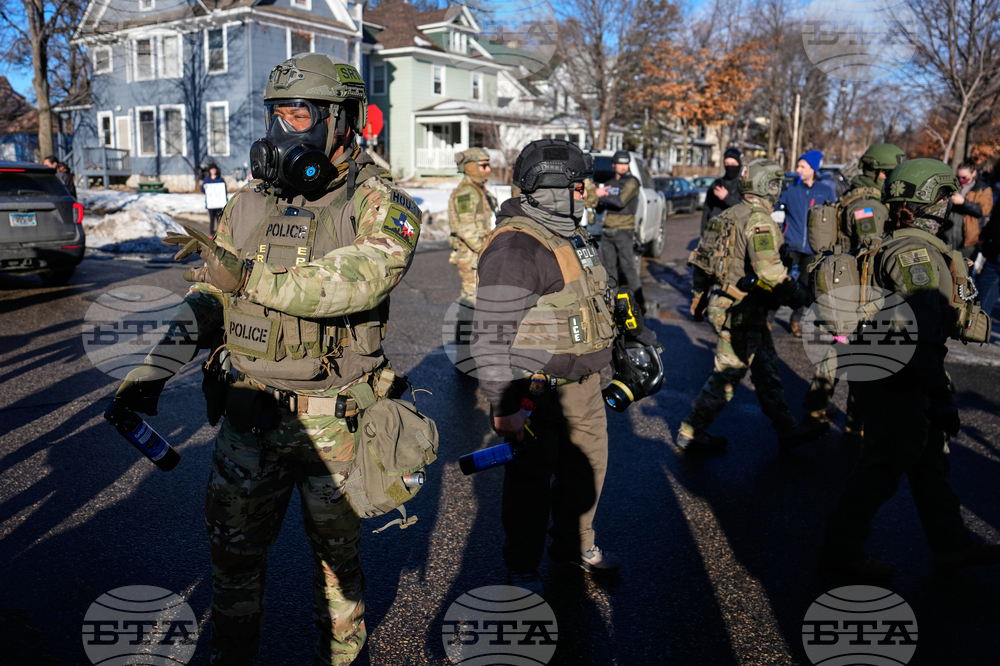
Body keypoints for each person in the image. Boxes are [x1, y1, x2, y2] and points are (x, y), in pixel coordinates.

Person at [113, 54, 422, 665]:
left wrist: (251, 275)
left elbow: (358, 278)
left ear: (342, 121)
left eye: (300, 114)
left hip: (334, 421)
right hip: (248, 417)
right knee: (232, 561)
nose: (285, 131)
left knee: (337, 569)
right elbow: (211, 294)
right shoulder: (250, 203)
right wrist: (153, 367)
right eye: (277, 114)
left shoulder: (380, 202)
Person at [819, 158, 1000, 580]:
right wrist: (939, 398)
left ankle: (952, 545)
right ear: (932, 202)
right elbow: (919, 336)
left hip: (888, 370)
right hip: (897, 379)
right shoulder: (915, 255)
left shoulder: (891, 242)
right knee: (884, 466)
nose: (950, 203)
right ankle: (839, 551)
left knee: (931, 463)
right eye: (945, 195)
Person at [472, 138, 621, 595]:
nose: (589, 193)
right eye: (581, 186)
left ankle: (575, 544)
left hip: (584, 384)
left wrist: (611, 361)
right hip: (534, 390)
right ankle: (522, 566)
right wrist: (505, 405)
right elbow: (491, 335)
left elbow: (595, 299)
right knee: (530, 484)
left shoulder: (569, 234)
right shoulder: (517, 248)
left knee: (588, 469)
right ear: (556, 188)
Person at [679, 159, 827, 454]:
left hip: (735, 305)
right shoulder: (759, 220)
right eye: (777, 184)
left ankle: (786, 429)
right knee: (728, 374)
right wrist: (801, 297)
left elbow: (701, 261)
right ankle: (691, 432)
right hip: (740, 309)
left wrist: (698, 296)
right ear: (768, 186)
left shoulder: (727, 214)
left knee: (766, 368)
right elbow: (770, 272)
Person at [802, 143, 907, 439]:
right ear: (882, 173)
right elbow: (872, 248)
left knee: (840, 350)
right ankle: (856, 424)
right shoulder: (868, 206)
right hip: (859, 293)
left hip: (847, 289)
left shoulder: (856, 195)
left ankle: (815, 405)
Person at [777, 149, 837, 336]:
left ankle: (796, 321)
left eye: (802, 166)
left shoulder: (825, 190)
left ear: (812, 169)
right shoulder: (791, 189)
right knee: (780, 284)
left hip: (813, 248)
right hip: (790, 245)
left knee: (804, 287)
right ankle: (768, 319)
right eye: (798, 165)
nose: (798, 169)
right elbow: (774, 207)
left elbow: (834, 215)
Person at [596, 150, 646, 312]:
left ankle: (640, 303)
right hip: (608, 229)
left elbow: (619, 202)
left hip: (624, 229)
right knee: (609, 267)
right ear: (614, 164)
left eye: (626, 163)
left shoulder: (632, 182)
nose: (623, 167)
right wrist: (598, 199)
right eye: (620, 163)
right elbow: (599, 209)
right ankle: (613, 302)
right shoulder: (610, 182)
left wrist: (600, 195)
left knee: (628, 266)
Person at [447, 147, 496, 311]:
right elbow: (466, 230)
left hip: (477, 254)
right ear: (471, 167)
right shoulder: (466, 193)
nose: (488, 169)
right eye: (484, 165)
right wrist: (486, 251)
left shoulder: (478, 190)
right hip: (471, 256)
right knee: (472, 299)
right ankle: (465, 337)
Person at [941, 161, 993, 260]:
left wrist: (964, 202)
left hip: (968, 241)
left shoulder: (983, 189)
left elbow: (984, 211)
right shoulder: (953, 185)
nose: (961, 180)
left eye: (964, 177)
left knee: (964, 271)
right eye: (959, 176)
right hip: (947, 236)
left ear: (974, 173)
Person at [700, 146, 744, 234]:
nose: (729, 167)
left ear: (739, 164)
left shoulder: (743, 185)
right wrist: (703, 232)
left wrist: (726, 197)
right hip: (715, 230)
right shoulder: (717, 183)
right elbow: (707, 209)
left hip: (735, 231)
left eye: (733, 164)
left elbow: (744, 209)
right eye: (727, 164)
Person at [201, 162, 228, 236]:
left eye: (214, 169)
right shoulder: (207, 179)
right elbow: (203, 190)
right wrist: (204, 188)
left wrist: (225, 200)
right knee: (212, 219)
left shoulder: (220, 179)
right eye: (211, 169)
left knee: (219, 219)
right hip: (211, 203)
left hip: (219, 204)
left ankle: (220, 234)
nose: (213, 171)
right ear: (209, 171)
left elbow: (224, 190)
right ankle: (211, 234)